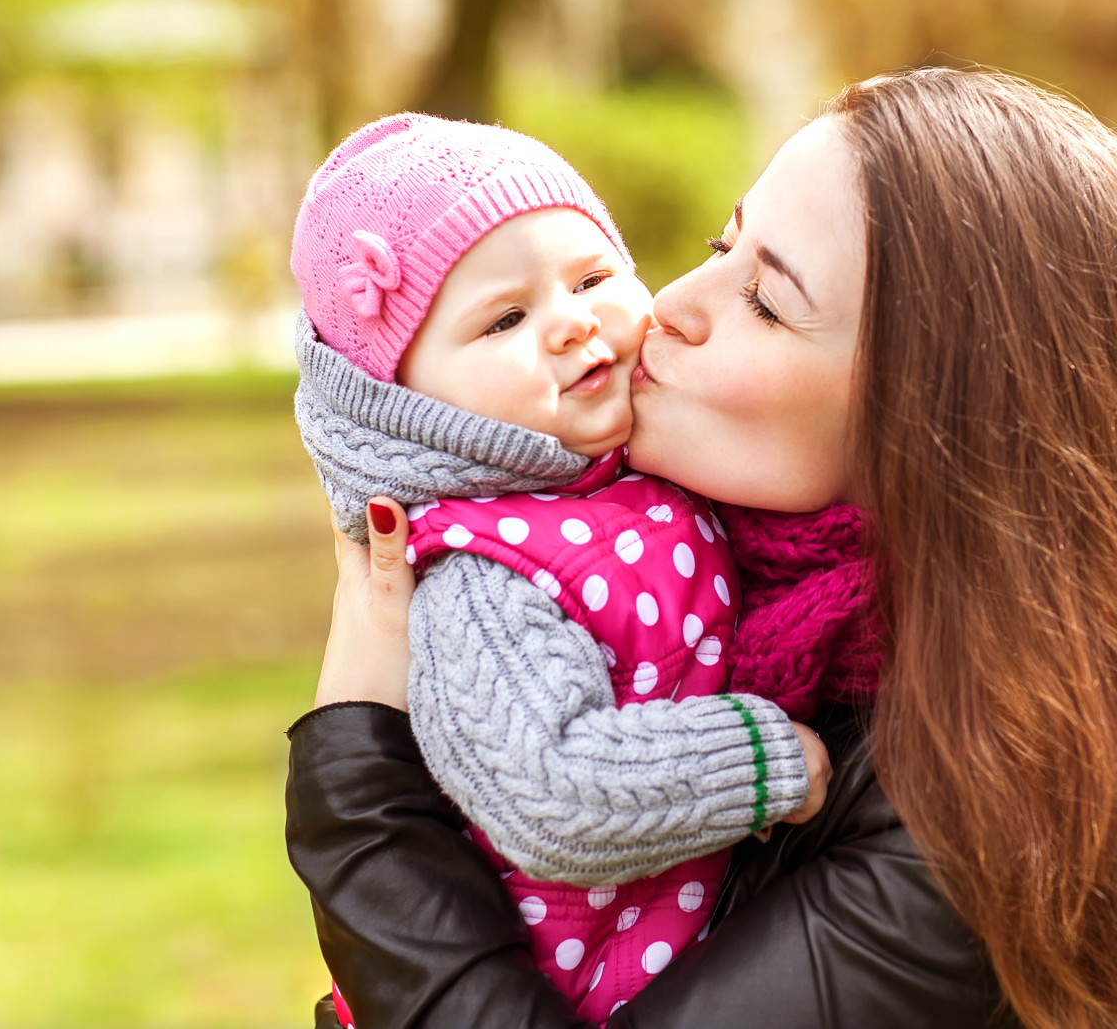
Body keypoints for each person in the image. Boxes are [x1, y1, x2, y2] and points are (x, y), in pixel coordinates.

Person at [287, 67, 1117, 1028]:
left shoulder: (980, 812)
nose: (665, 306)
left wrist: (358, 773)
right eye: (722, 244)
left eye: (765, 301)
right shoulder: (741, 611)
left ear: (940, 415)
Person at [288, 115, 838, 1022]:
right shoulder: (486, 574)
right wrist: (760, 755)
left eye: (590, 277)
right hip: (550, 989)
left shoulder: (643, 477)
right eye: (504, 318)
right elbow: (550, 789)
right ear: (411, 405)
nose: (572, 321)